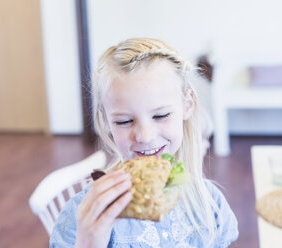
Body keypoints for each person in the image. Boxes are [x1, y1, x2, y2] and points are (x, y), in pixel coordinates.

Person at [50, 37, 238, 247]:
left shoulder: (210, 202)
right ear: (104, 120)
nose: (145, 136)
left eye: (161, 115)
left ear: (187, 105)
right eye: (124, 121)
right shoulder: (81, 217)